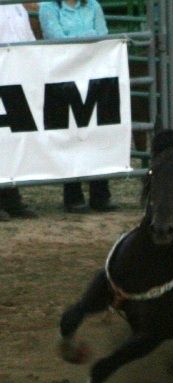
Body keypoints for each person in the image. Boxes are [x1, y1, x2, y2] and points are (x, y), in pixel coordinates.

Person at [39, 0, 118, 213]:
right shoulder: (48, 7)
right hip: (64, 77)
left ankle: (100, 192)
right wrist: (90, 45)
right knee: (70, 133)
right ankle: (73, 193)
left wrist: (86, 46)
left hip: (94, 76)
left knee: (96, 132)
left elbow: (103, 36)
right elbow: (56, 39)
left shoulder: (93, 5)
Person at [0, 4, 39, 221]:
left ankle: (11, 197)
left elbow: (29, 39)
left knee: (11, 139)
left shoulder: (17, 7)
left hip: (15, 77)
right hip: (5, 74)